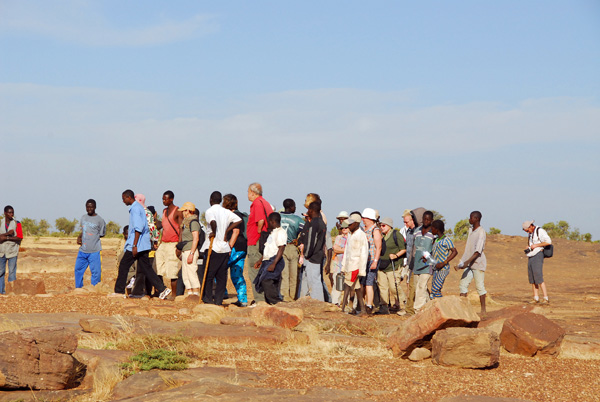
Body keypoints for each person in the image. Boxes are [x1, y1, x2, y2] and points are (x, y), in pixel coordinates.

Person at [113, 190, 171, 300]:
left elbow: (138, 228)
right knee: (147, 268)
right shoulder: (140, 208)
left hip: (137, 245)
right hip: (143, 244)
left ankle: (119, 292)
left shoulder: (135, 209)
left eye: (124, 198)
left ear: (128, 197)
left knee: (124, 265)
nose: (123, 201)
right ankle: (162, 289)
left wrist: (134, 246)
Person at [200, 191, 241, 305]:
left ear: (211, 200)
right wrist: (227, 230)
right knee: (221, 276)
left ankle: (208, 299)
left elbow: (213, 222)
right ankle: (218, 301)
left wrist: (214, 232)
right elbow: (238, 220)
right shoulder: (226, 212)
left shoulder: (210, 211)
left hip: (213, 246)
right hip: (224, 248)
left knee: (208, 275)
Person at [454, 211, 487, 317]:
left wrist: (466, 262)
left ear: (476, 219)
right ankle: (463, 310)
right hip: (469, 263)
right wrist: (460, 264)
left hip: (478, 263)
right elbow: (468, 250)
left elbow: (478, 251)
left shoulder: (481, 232)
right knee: (463, 285)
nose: (469, 219)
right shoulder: (471, 231)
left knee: (480, 287)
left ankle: (483, 311)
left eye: (471, 218)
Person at [246, 182, 273, 304]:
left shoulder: (256, 203)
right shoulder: (265, 203)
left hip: (255, 241)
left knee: (254, 269)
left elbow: (260, 219)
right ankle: (264, 298)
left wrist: (258, 231)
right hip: (264, 241)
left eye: (248, 192)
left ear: (252, 192)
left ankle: (259, 300)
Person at [254, 213, 287, 305]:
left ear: (272, 222)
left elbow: (281, 248)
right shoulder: (273, 233)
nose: (267, 224)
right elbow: (268, 248)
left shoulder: (281, 232)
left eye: (268, 222)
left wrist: (274, 264)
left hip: (275, 260)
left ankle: (276, 302)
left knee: (266, 280)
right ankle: (269, 303)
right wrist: (260, 260)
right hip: (267, 260)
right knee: (266, 281)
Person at [377, 217, 406, 315]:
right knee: (383, 287)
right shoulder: (381, 236)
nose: (381, 227)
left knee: (394, 286)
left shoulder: (396, 234)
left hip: (393, 264)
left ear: (389, 226)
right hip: (382, 265)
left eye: (383, 225)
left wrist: (396, 255)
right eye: (380, 225)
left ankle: (403, 305)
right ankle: (384, 307)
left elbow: (403, 249)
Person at [298, 202, 327, 301]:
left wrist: (306, 254)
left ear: (311, 210)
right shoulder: (321, 222)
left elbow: (311, 241)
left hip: (312, 257)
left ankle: (318, 303)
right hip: (318, 255)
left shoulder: (313, 223)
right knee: (315, 280)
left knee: (314, 281)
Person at [340, 213, 368, 315]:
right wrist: (343, 266)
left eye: (351, 224)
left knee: (347, 286)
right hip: (348, 265)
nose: (349, 226)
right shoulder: (350, 235)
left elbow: (364, 253)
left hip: (355, 266)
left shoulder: (361, 235)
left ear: (357, 223)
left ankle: (343, 309)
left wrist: (362, 270)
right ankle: (363, 310)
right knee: (357, 289)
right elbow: (346, 251)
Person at [155, 191, 182, 297]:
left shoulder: (177, 211)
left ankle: (174, 294)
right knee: (158, 267)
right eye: (163, 199)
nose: (163, 201)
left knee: (172, 270)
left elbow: (181, 229)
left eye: (165, 199)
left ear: (171, 199)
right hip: (164, 243)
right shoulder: (164, 211)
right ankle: (160, 290)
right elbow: (162, 226)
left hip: (173, 243)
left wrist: (179, 246)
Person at [74, 199, 106, 288]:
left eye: (91, 207)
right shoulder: (83, 217)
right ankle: (79, 288)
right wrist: (80, 237)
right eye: (88, 207)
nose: (89, 208)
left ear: (95, 207)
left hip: (94, 251)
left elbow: (102, 234)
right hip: (82, 250)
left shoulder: (100, 220)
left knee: (96, 272)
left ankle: (94, 289)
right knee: (78, 270)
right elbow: (83, 230)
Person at [223, 194, 248, 307]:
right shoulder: (239, 214)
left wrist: (229, 247)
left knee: (219, 269)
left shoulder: (234, 215)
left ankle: (221, 294)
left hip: (235, 247)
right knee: (236, 274)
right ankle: (242, 299)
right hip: (242, 247)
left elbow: (236, 232)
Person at [279, 198, 304, 301]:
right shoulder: (298, 219)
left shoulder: (278, 217)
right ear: (291, 207)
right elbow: (304, 231)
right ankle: (292, 296)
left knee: (284, 274)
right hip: (292, 247)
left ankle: (284, 296)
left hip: (281, 247)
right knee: (293, 274)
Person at [522, 220, 552, 304]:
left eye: (527, 230)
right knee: (532, 277)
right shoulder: (531, 234)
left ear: (531, 226)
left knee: (538, 276)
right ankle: (536, 297)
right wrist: (529, 247)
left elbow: (548, 241)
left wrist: (536, 245)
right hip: (531, 255)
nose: (527, 232)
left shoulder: (540, 231)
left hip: (538, 254)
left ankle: (545, 298)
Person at [412, 210, 435, 312]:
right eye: (424, 219)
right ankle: (429, 307)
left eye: (428, 219)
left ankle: (417, 310)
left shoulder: (434, 233)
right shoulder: (417, 230)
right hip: (417, 263)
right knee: (420, 287)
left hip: (427, 264)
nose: (425, 221)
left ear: (431, 220)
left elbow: (435, 248)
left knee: (421, 287)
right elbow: (414, 247)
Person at [429, 220, 457, 298]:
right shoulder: (435, 240)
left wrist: (444, 262)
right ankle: (440, 307)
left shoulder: (446, 240)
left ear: (437, 229)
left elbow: (455, 252)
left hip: (443, 268)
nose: (431, 230)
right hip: (436, 268)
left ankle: (442, 306)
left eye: (432, 228)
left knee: (435, 289)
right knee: (434, 292)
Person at [362, 208, 382, 315]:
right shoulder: (364, 230)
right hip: (365, 259)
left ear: (370, 219)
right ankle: (364, 304)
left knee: (369, 283)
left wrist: (375, 261)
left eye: (364, 218)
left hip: (372, 260)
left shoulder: (375, 230)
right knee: (364, 282)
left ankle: (369, 305)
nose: (363, 220)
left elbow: (378, 247)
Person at [178, 202, 201, 296]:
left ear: (188, 211)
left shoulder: (193, 222)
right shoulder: (186, 223)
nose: (183, 213)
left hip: (190, 250)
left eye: (184, 210)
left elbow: (196, 238)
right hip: (185, 250)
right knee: (186, 274)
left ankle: (195, 294)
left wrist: (191, 253)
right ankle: (190, 293)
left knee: (191, 272)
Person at [0, 206, 23, 294]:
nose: (11, 214)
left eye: (12, 212)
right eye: (9, 213)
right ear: (5, 213)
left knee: (12, 272)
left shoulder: (17, 223)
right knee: (1, 272)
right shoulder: (1, 222)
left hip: (13, 251)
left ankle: (11, 292)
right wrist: (8, 234)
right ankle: (1, 291)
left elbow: (20, 237)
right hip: (1, 252)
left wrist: (6, 237)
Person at [331, 220, 350, 305]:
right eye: (343, 228)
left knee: (348, 286)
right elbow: (335, 249)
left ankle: (347, 303)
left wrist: (341, 250)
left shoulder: (352, 237)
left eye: (346, 227)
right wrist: (345, 250)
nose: (344, 229)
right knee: (337, 285)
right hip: (338, 265)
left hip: (348, 266)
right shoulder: (339, 237)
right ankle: (335, 303)